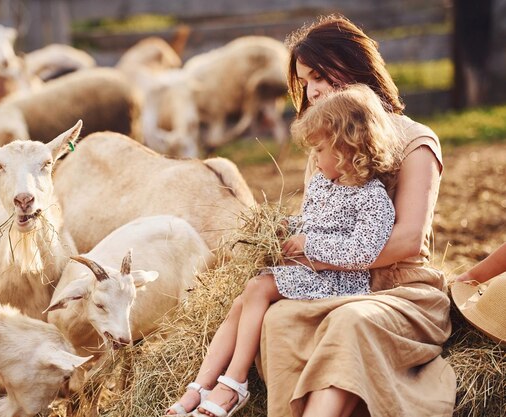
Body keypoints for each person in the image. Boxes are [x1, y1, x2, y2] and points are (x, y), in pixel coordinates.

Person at [258, 14, 456, 417]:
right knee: (278, 320)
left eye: (318, 75)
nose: (311, 91)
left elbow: (407, 241)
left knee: (350, 322)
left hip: (401, 291)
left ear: (352, 63)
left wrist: (311, 252)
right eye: (304, 81)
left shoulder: (416, 140)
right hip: (338, 283)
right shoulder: (328, 144)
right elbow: (318, 228)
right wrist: (287, 238)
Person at [165, 84, 402, 417]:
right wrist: (285, 227)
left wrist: (311, 245)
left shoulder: (372, 199)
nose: (315, 159)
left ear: (347, 147)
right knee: (240, 303)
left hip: (340, 284)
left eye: (319, 150)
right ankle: (201, 385)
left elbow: (363, 252)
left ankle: (234, 384)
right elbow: (309, 222)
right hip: (308, 273)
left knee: (258, 287)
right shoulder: (323, 183)